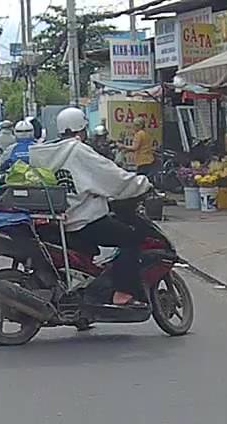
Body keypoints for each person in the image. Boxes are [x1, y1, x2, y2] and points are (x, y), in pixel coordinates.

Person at [28, 107, 152, 309]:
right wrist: (143, 184)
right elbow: (113, 177)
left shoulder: (45, 152)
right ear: (81, 129)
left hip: (59, 222)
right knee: (132, 239)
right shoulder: (78, 150)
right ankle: (122, 293)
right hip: (84, 221)